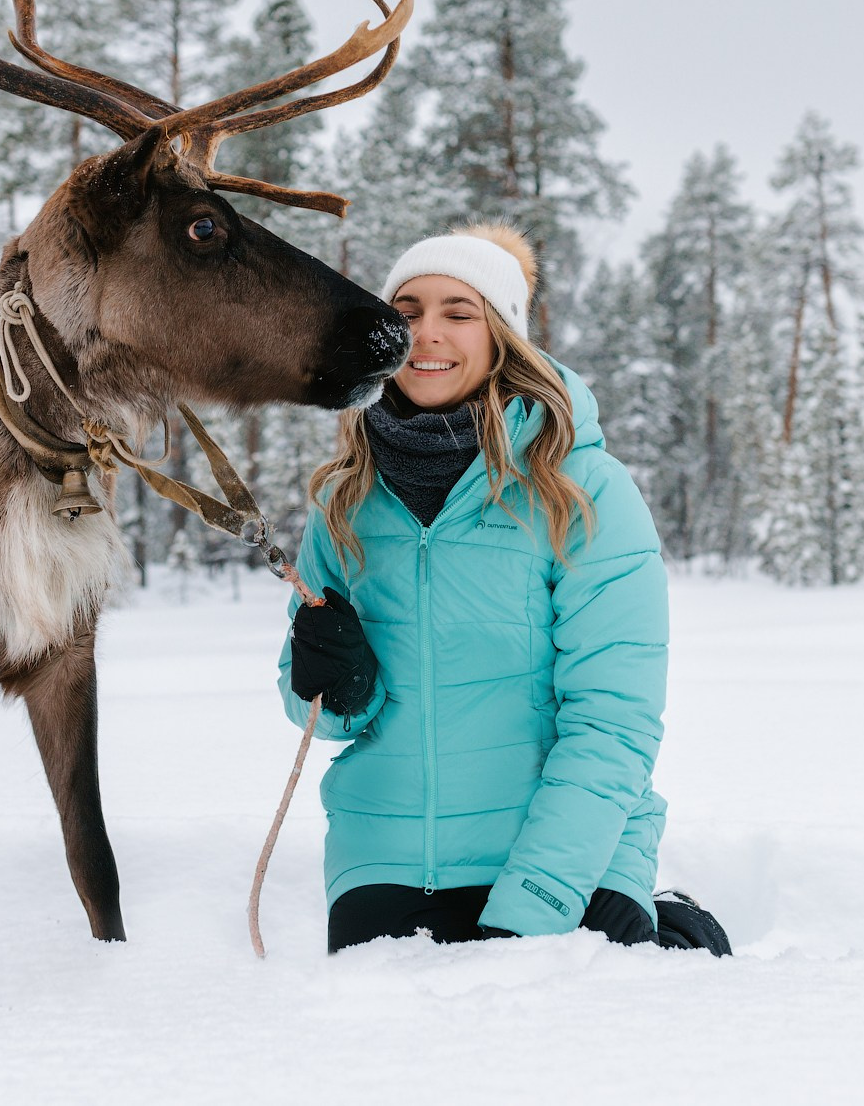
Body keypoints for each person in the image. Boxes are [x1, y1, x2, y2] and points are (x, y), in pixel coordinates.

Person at [277, 224, 729, 954]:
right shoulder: (345, 500)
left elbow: (613, 723)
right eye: (407, 310)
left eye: (459, 312)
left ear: (503, 338)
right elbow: (316, 716)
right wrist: (337, 685)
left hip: (565, 851)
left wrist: (537, 900)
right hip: (385, 851)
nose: (427, 333)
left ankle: (672, 921)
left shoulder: (581, 491)